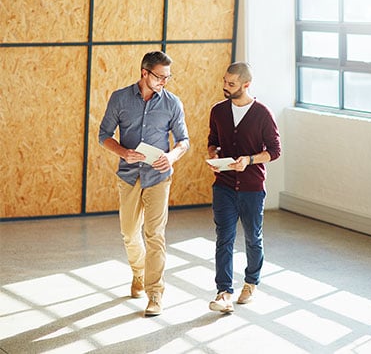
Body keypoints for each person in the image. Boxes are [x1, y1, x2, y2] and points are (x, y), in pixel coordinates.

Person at [98, 51, 189, 317]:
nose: (164, 82)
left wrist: (171, 156)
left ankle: (155, 293)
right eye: (160, 76)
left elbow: (184, 140)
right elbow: (104, 135)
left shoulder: (173, 103)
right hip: (128, 175)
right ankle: (138, 273)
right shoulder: (120, 98)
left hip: (159, 177)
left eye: (168, 77)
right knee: (129, 233)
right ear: (144, 73)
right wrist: (123, 152)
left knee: (155, 235)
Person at [206, 62, 281, 313]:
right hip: (224, 186)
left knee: (252, 238)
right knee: (223, 239)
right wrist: (214, 157)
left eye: (232, 84)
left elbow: (274, 151)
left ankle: (250, 283)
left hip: (252, 187)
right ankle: (224, 292)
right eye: (225, 81)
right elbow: (213, 142)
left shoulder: (262, 113)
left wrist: (248, 160)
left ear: (246, 85)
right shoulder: (218, 111)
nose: (225, 87)